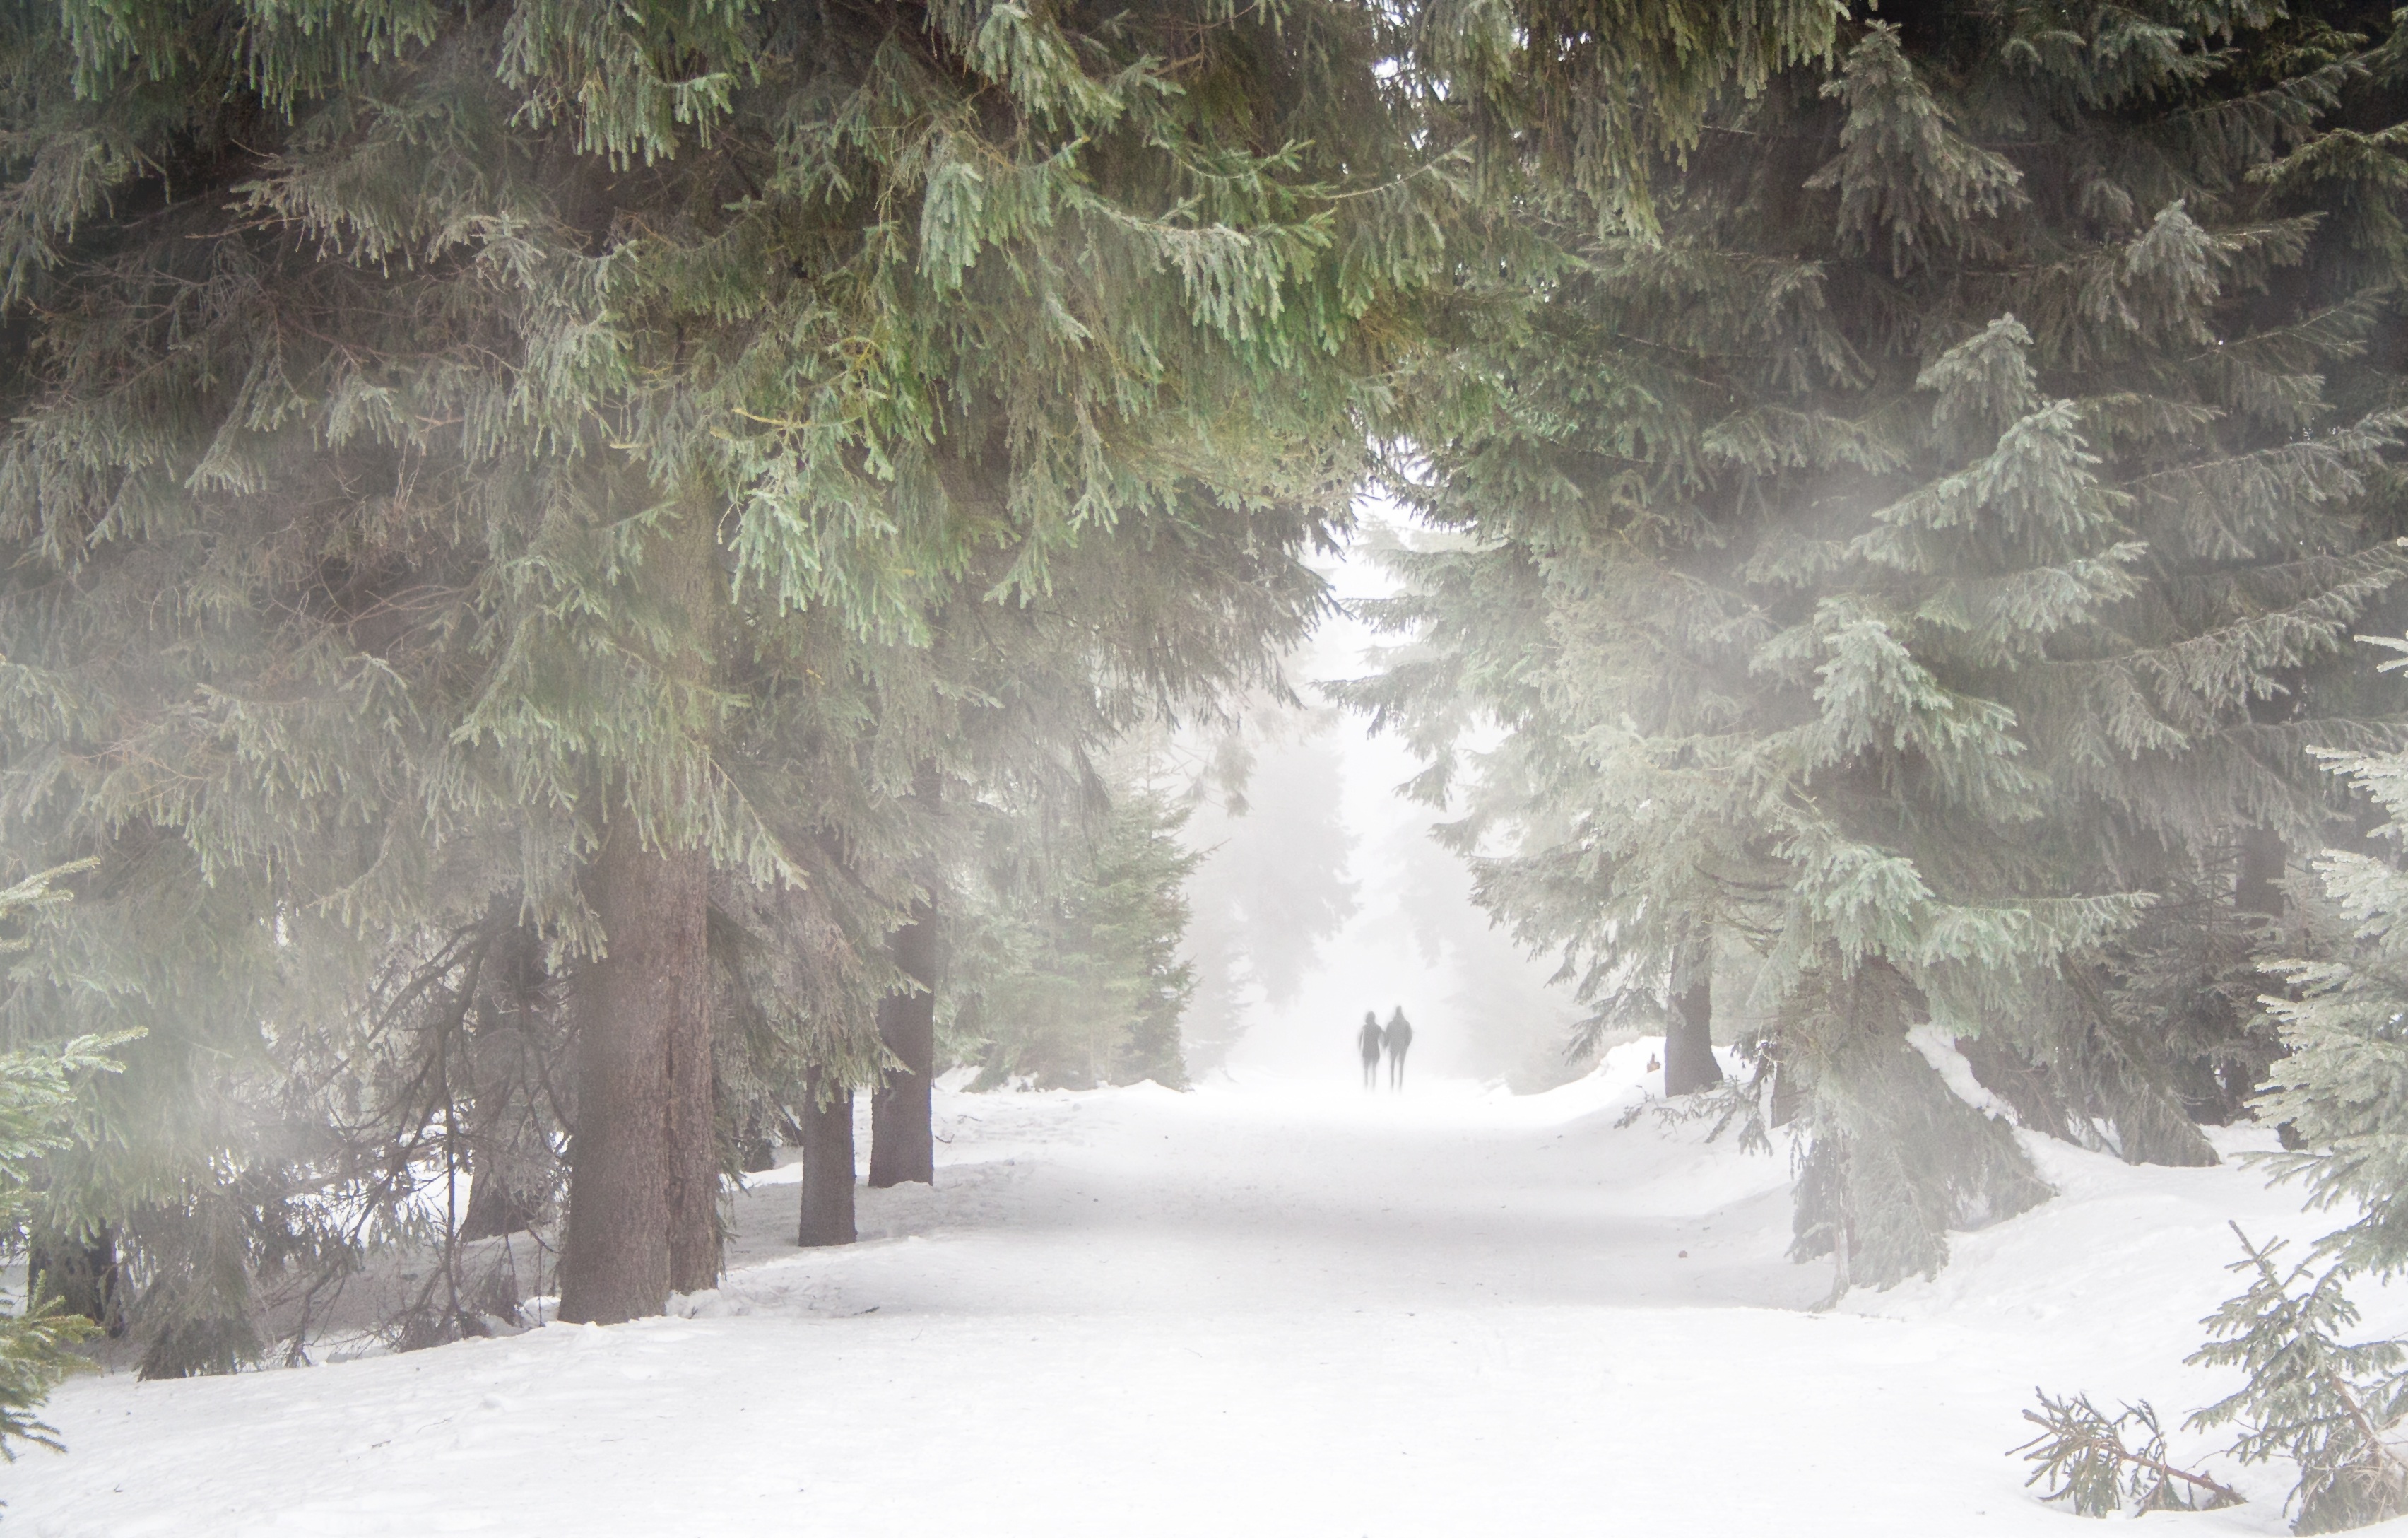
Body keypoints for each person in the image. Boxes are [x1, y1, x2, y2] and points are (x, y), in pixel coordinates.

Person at [1385, 1006, 1413, 1090]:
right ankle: (1400, 1086)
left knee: (1392, 1066)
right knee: (1401, 1066)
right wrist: (1406, 1045)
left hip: (1393, 1047)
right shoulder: (1406, 1023)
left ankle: (1392, 1085)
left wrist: (1385, 1045)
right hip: (1403, 1047)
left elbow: (1387, 1036)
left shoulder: (1391, 1024)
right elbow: (1410, 1037)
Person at [1357, 1011, 1385, 1089]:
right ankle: (1373, 1087)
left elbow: (1360, 1039)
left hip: (1366, 1052)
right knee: (1374, 1069)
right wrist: (1383, 1047)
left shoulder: (1364, 1028)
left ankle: (1366, 1085)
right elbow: (1382, 1040)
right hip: (1375, 1051)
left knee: (1366, 1069)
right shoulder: (1378, 1028)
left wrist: (1359, 1048)